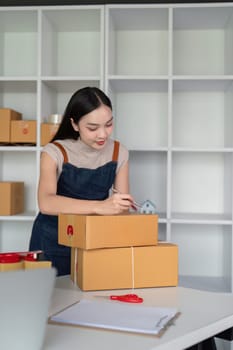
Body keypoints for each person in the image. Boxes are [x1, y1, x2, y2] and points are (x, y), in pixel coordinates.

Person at [29, 86, 134, 276]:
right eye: (93, 128)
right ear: (75, 124)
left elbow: (121, 208)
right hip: (52, 240)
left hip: (93, 241)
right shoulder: (54, 152)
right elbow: (46, 202)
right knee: (49, 301)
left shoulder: (120, 152)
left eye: (109, 124)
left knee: (92, 300)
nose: (103, 134)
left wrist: (121, 205)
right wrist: (99, 206)